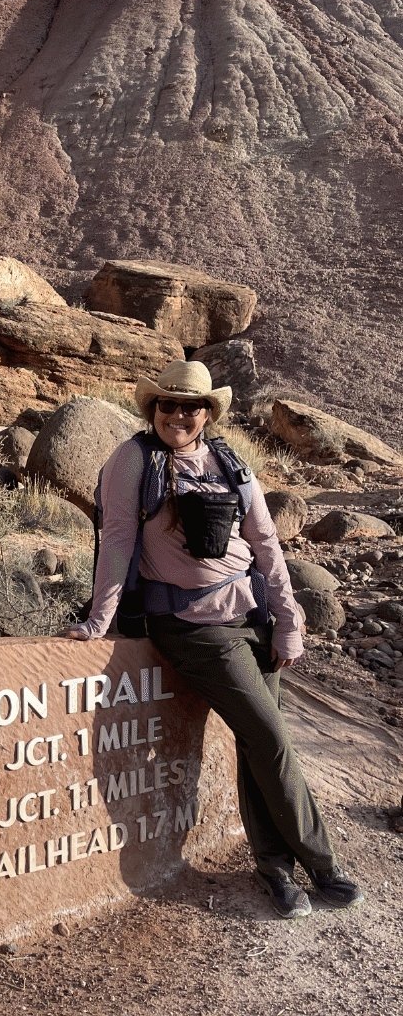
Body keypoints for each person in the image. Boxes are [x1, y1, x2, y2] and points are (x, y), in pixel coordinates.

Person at [61, 360, 363, 919]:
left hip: (253, 619)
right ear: (153, 409)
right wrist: (99, 620)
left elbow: (267, 545)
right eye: (168, 405)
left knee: (259, 745)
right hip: (193, 629)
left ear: (207, 412)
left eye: (190, 406)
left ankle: (275, 870)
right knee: (270, 737)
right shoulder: (134, 460)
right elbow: (119, 541)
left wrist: (290, 621)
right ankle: (322, 863)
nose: (179, 415)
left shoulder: (228, 460)